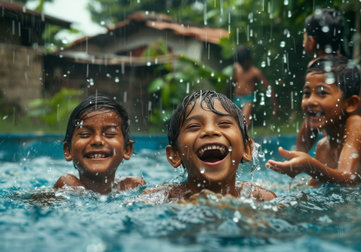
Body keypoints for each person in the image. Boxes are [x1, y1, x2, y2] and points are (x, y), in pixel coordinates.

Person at [266, 56, 361, 185]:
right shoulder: (323, 147)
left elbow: (347, 177)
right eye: (307, 93)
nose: (310, 101)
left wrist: (309, 166)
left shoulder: (357, 124)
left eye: (322, 93)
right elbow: (313, 188)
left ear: (350, 103)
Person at [142, 90, 276, 202]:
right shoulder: (159, 198)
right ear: (175, 155)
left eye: (224, 124)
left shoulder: (261, 198)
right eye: (194, 126)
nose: (210, 131)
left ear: (247, 150)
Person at [297, 8, 361, 152]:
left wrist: (296, 156)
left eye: (304, 36)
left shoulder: (316, 70)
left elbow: (309, 128)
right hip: (360, 141)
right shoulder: (344, 67)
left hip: (349, 143)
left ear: (311, 41)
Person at [54, 95, 146, 194]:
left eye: (110, 134)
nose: (97, 141)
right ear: (68, 150)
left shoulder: (134, 188)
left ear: (127, 150)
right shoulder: (65, 188)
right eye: (85, 134)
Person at [232, 46, 277, 127]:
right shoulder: (236, 68)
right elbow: (234, 81)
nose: (242, 65)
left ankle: (244, 137)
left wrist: (274, 105)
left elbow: (268, 87)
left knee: (245, 121)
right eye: (240, 63)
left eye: (244, 63)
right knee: (234, 121)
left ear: (250, 60)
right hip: (236, 98)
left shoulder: (255, 72)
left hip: (247, 99)